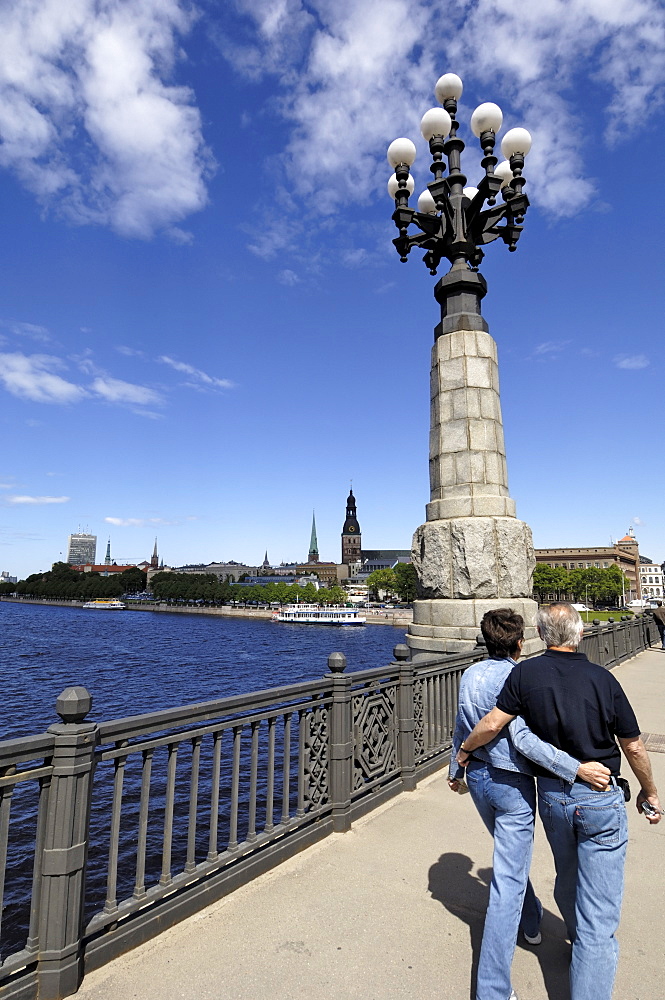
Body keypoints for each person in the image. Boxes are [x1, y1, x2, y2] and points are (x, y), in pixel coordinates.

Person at [458, 603, 661, 1000]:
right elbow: (633, 746)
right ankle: (586, 949)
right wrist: (648, 790)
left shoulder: (524, 674)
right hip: (599, 796)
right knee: (598, 920)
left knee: (566, 880)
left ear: (540, 634)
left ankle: (569, 933)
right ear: (580, 634)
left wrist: (462, 754)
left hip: (552, 798)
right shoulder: (602, 678)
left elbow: (493, 724)